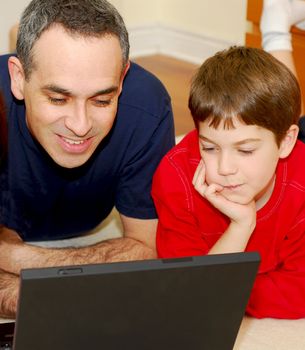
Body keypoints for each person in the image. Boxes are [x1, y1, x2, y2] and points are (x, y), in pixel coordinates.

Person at [0, 0, 175, 317]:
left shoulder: (146, 105)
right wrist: (42, 301)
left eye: (102, 99)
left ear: (122, 79)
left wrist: (16, 257)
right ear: (17, 78)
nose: (80, 126)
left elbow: (147, 248)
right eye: (58, 98)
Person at [152, 46, 305, 319]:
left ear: (286, 142)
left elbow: (298, 294)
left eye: (245, 150)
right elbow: (189, 293)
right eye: (209, 148)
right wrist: (241, 225)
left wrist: (226, 289)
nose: (224, 168)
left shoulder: (300, 186)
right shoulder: (175, 176)